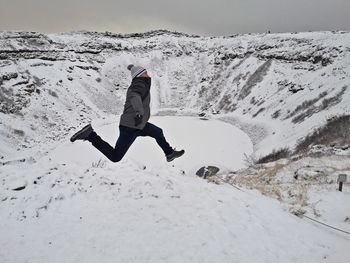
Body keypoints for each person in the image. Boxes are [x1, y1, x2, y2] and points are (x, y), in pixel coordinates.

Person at [70, 64, 185, 163]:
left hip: (139, 124)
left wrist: (132, 67)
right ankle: (90, 135)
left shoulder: (140, 82)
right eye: (145, 72)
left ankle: (169, 153)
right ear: (140, 75)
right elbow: (135, 96)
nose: (148, 74)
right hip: (130, 126)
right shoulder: (139, 84)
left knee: (158, 132)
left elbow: (136, 83)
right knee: (116, 157)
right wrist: (139, 113)